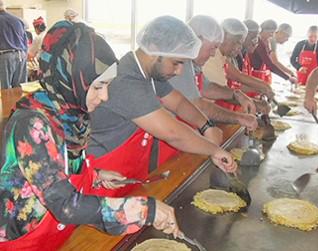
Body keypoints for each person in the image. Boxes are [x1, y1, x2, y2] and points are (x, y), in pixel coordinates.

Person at [0, 21, 182, 250]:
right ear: (71, 79)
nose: (104, 96)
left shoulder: (71, 113)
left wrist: (94, 175)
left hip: (53, 237)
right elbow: (65, 205)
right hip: (22, 239)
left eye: (107, 85)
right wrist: (146, 209)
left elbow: (51, 170)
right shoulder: (32, 124)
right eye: (98, 86)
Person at [88, 16, 237, 197]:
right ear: (154, 52)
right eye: (176, 63)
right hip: (103, 177)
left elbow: (179, 102)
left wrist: (206, 126)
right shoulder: (127, 81)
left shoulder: (147, 72)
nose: (179, 71)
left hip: (127, 173)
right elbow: (172, 133)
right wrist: (214, 150)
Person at [166, 15, 259, 165]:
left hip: (185, 136)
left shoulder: (191, 64)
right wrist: (238, 118)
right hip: (169, 140)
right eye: (213, 47)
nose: (214, 53)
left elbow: (207, 88)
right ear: (197, 40)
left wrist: (237, 95)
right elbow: (198, 104)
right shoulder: (178, 64)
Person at [203, 18, 275, 104]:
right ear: (223, 36)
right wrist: (255, 103)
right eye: (236, 42)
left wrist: (263, 88)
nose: (239, 47)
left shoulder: (223, 56)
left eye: (241, 43)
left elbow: (238, 76)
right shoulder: (213, 57)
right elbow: (222, 92)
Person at [250, 20, 296, 84]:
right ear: (263, 31)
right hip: (253, 74)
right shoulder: (258, 43)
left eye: (273, 33)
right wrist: (288, 77)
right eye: (271, 33)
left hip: (261, 74)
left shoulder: (267, 42)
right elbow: (270, 63)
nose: (272, 36)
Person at [0, 0, 27, 89]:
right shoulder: (18, 20)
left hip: (5, 56)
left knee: (5, 89)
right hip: (21, 56)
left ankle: (7, 103)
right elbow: (25, 40)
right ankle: (19, 103)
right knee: (20, 88)